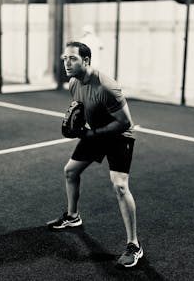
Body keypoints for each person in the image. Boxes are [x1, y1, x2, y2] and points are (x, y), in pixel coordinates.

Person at [47, 41, 143, 268]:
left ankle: (134, 245)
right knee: (70, 171)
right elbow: (82, 108)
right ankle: (73, 217)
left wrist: (93, 134)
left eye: (73, 59)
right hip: (95, 133)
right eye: (65, 58)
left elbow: (125, 122)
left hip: (120, 136)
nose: (67, 63)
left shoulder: (107, 87)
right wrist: (81, 127)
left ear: (87, 60)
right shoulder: (73, 83)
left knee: (119, 185)